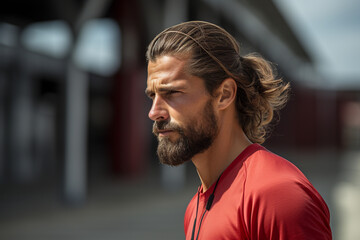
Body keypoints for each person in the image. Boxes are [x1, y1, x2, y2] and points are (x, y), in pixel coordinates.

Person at [145, 21, 332, 240]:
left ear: (224, 95)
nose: (154, 112)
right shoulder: (195, 208)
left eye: (173, 93)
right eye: (152, 96)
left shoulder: (277, 196)